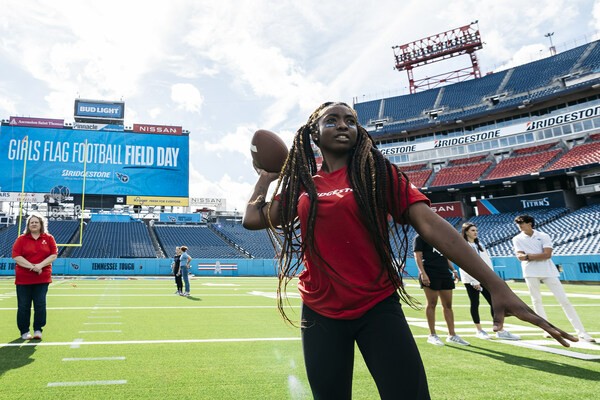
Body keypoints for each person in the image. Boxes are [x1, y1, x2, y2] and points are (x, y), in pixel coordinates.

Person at [243, 101, 577, 400]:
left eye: (350, 120)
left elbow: (431, 226)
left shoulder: (377, 174)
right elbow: (253, 218)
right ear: (314, 135)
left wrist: (496, 284)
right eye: (332, 120)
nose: (344, 125)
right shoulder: (305, 186)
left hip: (377, 305)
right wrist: (268, 178)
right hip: (319, 311)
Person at [512, 214, 595, 342]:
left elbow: (547, 255)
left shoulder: (543, 236)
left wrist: (527, 256)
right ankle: (546, 330)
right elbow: (519, 256)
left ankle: (582, 332)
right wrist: (532, 256)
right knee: (536, 301)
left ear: (529, 223)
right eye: (518, 224)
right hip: (530, 272)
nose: (520, 226)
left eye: (521, 223)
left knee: (564, 301)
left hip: (549, 272)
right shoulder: (517, 238)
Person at [460, 222, 520, 340]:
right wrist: (473, 280)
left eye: (476, 230)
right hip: (471, 280)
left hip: (485, 279)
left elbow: (487, 263)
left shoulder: (480, 245)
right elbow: (464, 264)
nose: (475, 232)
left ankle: (499, 330)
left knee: (494, 303)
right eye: (472, 230)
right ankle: (479, 330)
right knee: (475, 303)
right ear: (466, 232)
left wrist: (492, 277)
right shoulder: (463, 245)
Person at [413, 234, 470, 346]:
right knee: (432, 303)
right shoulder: (419, 237)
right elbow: (417, 256)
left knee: (448, 305)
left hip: (444, 272)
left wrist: (453, 270)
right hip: (430, 272)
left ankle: (452, 335)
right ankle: (432, 335)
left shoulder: (440, 237)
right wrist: (423, 273)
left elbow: (445, 256)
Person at [12, 212, 58, 340]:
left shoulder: (48, 238)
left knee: (40, 305)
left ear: (41, 224)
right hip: (23, 278)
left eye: (36, 222)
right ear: (28, 225)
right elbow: (16, 256)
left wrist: (40, 266)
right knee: (23, 306)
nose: (33, 224)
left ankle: (38, 329)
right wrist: (32, 267)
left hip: (42, 278)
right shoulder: (21, 239)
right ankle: (24, 331)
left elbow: (53, 255)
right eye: (31, 222)